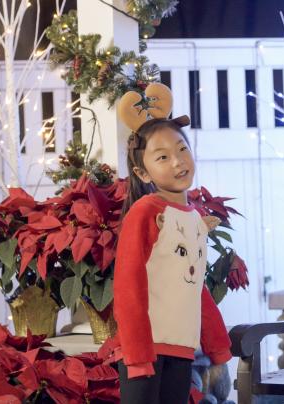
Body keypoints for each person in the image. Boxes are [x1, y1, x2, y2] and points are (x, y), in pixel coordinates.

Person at [109, 83, 231, 404]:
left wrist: (217, 345)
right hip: (144, 351)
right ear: (142, 172)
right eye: (162, 157)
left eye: (182, 149)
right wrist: (136, 354)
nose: (178, 162)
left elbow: (194, 287)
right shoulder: (145, 212)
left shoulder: (193, 218)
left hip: (180, 346)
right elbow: (128, 285)